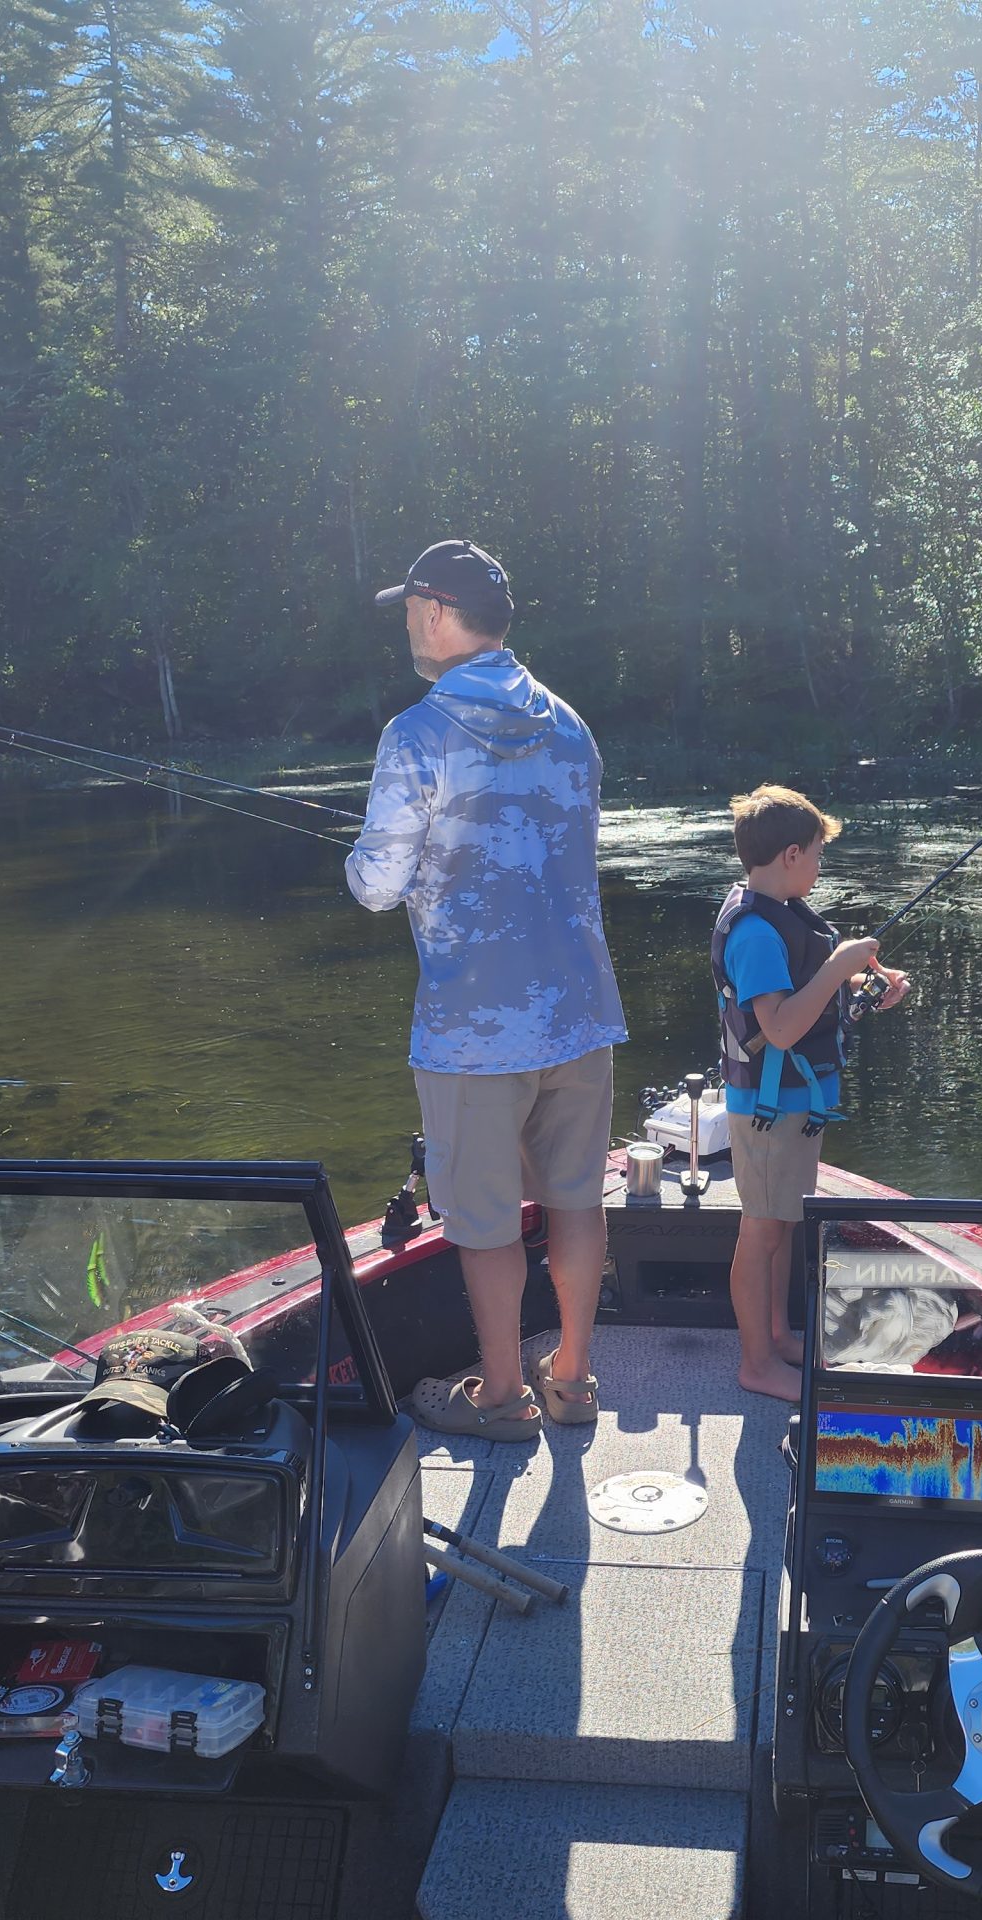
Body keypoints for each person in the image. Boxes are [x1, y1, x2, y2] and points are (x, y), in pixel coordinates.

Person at [344, 538, 627, 1440]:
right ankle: (574, 1381)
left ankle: (501, 1398)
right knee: (578, 1201)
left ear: (433, 609)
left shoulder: (417, 733)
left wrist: (365, 857)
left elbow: (378, 885)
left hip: (474, 1031)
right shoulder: (571, 722)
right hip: (580, 1016)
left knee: (485, 1223)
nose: (406, 625)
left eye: (407, 609)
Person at [713, 786, 910, 1399]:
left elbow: (802, 989)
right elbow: (777, 1027)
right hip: (770, 1114)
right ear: (791, 855)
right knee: (762, 1232)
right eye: (820, 854)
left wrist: (860, 979)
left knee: (782, 1226)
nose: (822, 866)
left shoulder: (778, 912)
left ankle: (777, 1336)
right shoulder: (753, 933)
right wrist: (837, 967)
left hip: (796, 1104)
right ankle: (757, 1364)